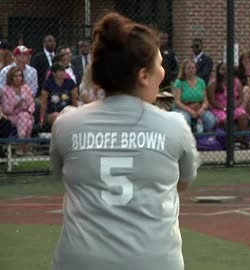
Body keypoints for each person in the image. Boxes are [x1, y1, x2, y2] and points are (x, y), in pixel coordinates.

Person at [49, 12, 199, 270]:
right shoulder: (175, 127)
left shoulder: (66, 124)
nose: (162, 73)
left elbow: (59, 175)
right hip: (155, 262)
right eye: (159, 65)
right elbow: (182, 184)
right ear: (143, 75)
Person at [1, 67, 35, 155]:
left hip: (26, 114)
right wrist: (16, 104)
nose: (18, 78)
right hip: (12, 117)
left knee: (24, 116)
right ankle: (26, 146)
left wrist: (28, 111)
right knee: (27, 121)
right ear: (10, 77)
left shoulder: (26, 88)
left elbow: (32, 104)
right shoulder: (5, 90)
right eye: (15, 76)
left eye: (20, 76)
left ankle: (20, 145)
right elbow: (6, 110)